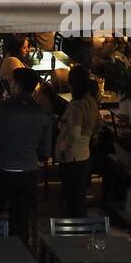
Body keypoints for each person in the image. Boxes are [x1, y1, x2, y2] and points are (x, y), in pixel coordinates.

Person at [0, 67, 53, 240]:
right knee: (20, 222)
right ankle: (17, 261)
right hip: (29, 174)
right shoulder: (43, 114)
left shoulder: (1, 108)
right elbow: (45, 152)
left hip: (2, 172)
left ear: (16, 86)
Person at [55, 66, 100, 218]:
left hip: (72, 157)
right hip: (85, 154)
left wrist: (62, 147)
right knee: (79, 196)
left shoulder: (76, 106)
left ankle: (75, 231)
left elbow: (74, 133)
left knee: (73, 199)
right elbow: (99, 124)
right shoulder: (92, 102)